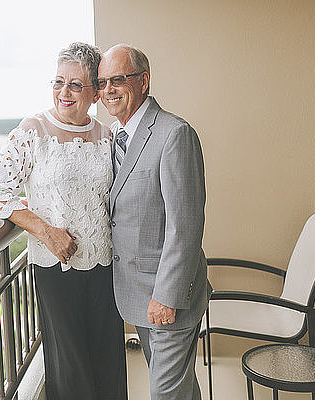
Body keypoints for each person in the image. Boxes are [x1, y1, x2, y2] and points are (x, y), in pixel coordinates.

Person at [0, 42, 127, 400]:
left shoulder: (105, 135)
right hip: (55, 269)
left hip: (106, 268)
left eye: (76, 84)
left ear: (95, 92)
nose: (64, 92)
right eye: (58, 82)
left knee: (108, 364)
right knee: (71, 370)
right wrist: (45, 231)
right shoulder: (33, 130)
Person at [98, 44, 211, 399]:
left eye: (119, 79)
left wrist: (167, 296)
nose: (108, 90)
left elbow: (186, 226)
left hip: (168, 297)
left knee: (166, 394)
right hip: (136, 294)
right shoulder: (116, 137)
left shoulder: (174, 134)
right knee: (178, 390)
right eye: (102, 83)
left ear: (143, 81)